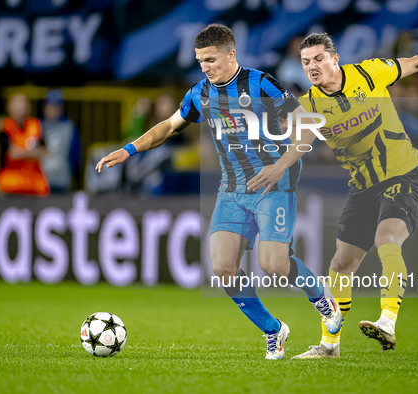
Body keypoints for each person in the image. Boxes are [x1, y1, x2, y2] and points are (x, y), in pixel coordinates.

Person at [96, 24, 342, 360]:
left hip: (273, 185)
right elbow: (169, 126)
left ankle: (322, 300)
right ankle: (274, 331)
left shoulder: (261, 84)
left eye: (210, 59)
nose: (205, 67)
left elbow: (306, 126)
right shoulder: (200, 93)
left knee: (274, 265)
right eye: (200, 61)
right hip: (232, 190)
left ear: (230, 54)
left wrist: (280, 165)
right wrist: (130, 149)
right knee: (223, 269)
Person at [293, 33, 418, 358]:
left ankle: (388, 321)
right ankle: (329, 346)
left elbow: (417, 62)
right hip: (362, 187)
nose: (313, 67)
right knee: (340, 265)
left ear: (335, 58)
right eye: (306, 62)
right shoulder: (308, 105)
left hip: (404, 174)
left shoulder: (369, 73)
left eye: (319, 59)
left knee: (386, 239)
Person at [0, 94, 50, 196]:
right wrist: (32, 153)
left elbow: (45, 152)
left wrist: (22, 152)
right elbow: (11, 154)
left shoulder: (35, 125)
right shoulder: (5, 127)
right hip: (11, 182)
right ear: (10, 108)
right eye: (17, 105)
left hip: (34, 182)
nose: (21, 109)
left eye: (23, 104)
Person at [41, 90, 80, 193]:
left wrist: (74, 173)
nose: (53, 110)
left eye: (56, 106)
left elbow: (75, 155)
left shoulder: (69, 127)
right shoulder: (37, 126)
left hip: (62, 179)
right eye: (50, 106)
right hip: (41, 179)